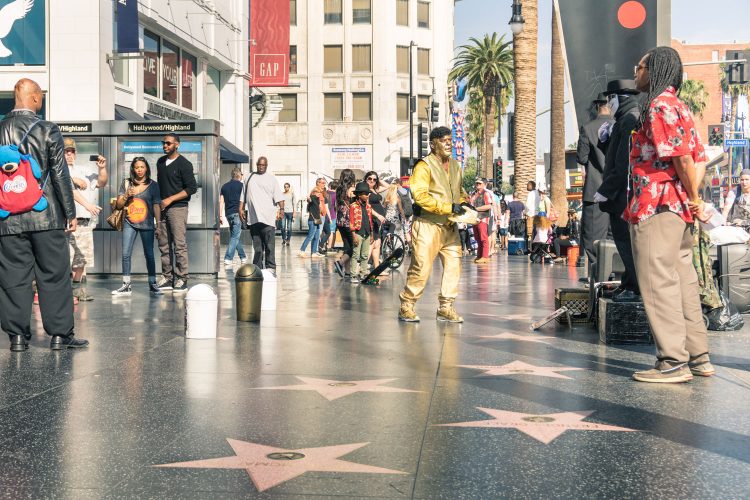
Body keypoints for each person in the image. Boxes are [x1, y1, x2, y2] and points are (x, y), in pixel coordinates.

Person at [624, 46, 713, 383]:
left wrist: (693, 196)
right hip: (676, 209)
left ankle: (672, 362)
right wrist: (692, 198)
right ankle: (698, 356)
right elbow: (699, 158)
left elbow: (683, 159)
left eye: (641, 66)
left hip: (655, 205)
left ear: (656, 69)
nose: (637, 71)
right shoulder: (680, 106)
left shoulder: (658, 105)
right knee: (683, 280)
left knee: (657, 281)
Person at [0, 78, 88, 350]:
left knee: (13, 276)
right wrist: (70, 212)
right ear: (36, 98)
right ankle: (60, 335)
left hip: (7, 217)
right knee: (53, 274)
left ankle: (16, 337)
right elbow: (60, 174)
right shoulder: (47, 129)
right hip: (45, 215)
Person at [399, 126, 469, 323]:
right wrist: (448, 207)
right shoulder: (424, 166)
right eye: (444, 140)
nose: (449, 143)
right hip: (427, 224)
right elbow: (419, 196)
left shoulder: (455, 165)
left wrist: (464, 203)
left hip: (450, 226)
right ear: (432, 143)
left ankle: (446, 307)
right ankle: (407, 304)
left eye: (450, 140)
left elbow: (459, 191)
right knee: (421, 267)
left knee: (454, 267)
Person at [596, 79, 642, 302]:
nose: (608, 104)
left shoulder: (629, 119)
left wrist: (606, 189)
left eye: (610, 99)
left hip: (624, 194)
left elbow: (624, 163)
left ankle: (635, 287)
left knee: (626, 242)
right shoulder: (623, 119)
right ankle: (629, 283)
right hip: (621, 193)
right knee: (623, 243)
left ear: (617, 99)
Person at [63, 137, 107, 302]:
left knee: (81, 259)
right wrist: (74, 181)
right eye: (66, 151)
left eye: (71, 151)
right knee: (64, 258)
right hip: (65, 222)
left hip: (83, 221)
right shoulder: (57, 169)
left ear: (75, 153)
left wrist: (102, 168)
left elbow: (101, 182)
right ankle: (63, 292)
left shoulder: (83, 169)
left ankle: (76, 289)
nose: (69, 155)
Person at [111, 157, 163, 296]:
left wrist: (158, 224)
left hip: (147, 224)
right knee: (125, 254)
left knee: (149, 255)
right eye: (137, 167)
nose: (139, 170)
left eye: (142, 167)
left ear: (146, 168)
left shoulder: (154, 185)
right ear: (133, 169)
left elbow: (156, 205)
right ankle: (126, 284)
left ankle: (153, 284)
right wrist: (127, 194)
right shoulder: (127, 183)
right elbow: (119, 205)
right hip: (129, 222)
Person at [155, 133, 197, 292]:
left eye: (168, 143)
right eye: (163, 143)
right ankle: (167, 276)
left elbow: (191, 188)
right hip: (162, 208)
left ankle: (182, 278)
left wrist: (170, 199)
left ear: (177, 145)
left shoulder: (184, 164)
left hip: (178, 208)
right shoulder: (160, 162)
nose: (165, 146)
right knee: (163, 244)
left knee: (179, 245)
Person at [577, 93, 613, 270]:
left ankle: (598, 276)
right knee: (615, 237)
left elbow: (582, 158)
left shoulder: (588, 127)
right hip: (617, 191)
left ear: (597, 105)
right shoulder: (620, 125)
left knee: (592, 238)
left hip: (595, 190)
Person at [241, 156, 284, 272]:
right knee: (257, 247)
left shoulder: (271, 179)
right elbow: (243, 195)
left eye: (263, 165)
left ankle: (270, 266)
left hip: (268, 218)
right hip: (254, 218)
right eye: (259, 165)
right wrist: (240, 209)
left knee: (270, 245)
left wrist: (282, 209)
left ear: (266, 166)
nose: (261, 167)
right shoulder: (249, 177)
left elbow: (279, 197)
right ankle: (257, 266)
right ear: (256, 165)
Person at [219, 167, 247, 266]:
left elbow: (221, 201)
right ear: (239, 175)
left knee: (235, 236)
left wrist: (220, 215)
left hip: (228, 214)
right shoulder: (242, 186)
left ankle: (243, 257)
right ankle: (228, 258)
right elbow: (244, 200)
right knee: (235, 237)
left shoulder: (224, 186)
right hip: (237, 213)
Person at [348, 181, 374, 284]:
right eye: (365, 194)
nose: (367, 196)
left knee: (364, 255)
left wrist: (371, 234)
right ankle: (353, 275)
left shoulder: (368, 207)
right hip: (358, 233)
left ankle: (363, 274)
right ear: (359, 194)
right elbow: (351, 222)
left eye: (368, 194)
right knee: (355, 255)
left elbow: (370, 221)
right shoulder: (353, 206)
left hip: (367, 233)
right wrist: (354, 235)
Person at [333, 169, 356, 278]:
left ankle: (347, 272)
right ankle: (340, 262)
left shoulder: (339, 189)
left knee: (347, 246)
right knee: (355, 246)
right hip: (349, 221)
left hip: (340, 220)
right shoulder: (352, 189)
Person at [364, 170, 388, 274]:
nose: (372, 181)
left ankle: (377, 269)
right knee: (372, 243)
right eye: (370, 178)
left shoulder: (375, 189)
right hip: (371, 219)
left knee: (377, 243)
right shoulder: (365, 190)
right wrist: (378, 215)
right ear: (366, 179)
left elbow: (388, 186)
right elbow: (367, 206)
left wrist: (379, 179)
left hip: (377, 220)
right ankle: (362, 269)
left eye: (374, 179)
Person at [299, 178, 325, 259]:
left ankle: (314, 252)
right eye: (322, 183)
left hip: (317, 219)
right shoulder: (314, 196)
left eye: (324, 183)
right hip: (312, 219)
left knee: (317, 236)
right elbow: (310, 200)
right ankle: (302, 250)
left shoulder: (317, 197)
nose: (324, 185)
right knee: (310, 236)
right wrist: (309, 199)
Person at [470, 178, 493, 263]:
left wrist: (476, 209)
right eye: (477, 183)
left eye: (480, 183)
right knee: (477, 238)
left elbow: (489, 206)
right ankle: (479, 256)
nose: (478, 185)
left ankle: (485, 256)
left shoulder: (486, 193)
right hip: (474, 218)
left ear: (484, 185)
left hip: (483, 218)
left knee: (483, 238)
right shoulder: (474, 194)